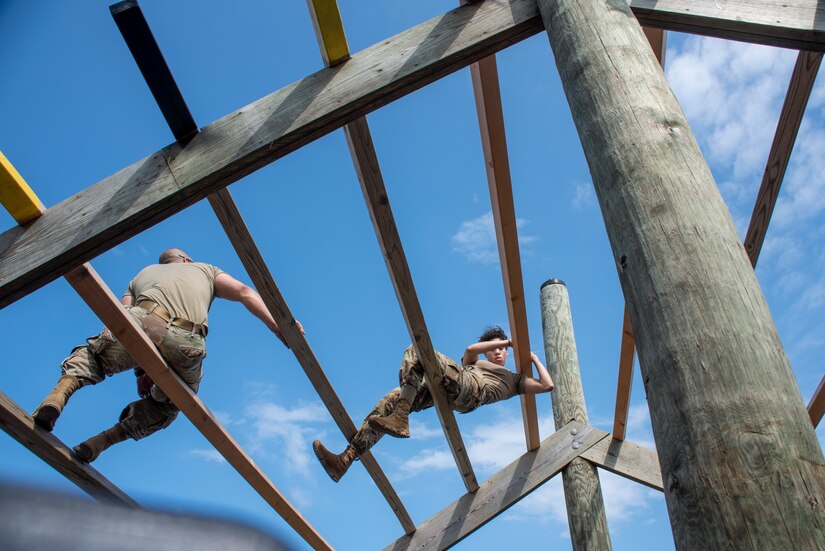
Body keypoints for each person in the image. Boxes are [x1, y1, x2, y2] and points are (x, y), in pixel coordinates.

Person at [32, 248, 301, 463]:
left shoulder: (141, 276)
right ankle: (101, 442)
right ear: (186, 259)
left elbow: (121, 319)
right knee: (170, 403)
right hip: (187, 341)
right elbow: (244, 292)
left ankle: (58, 397)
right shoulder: (205, 269)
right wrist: (279, 327)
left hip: (142, 318)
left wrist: (140, 368)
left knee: (95, 357)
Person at [312, 326, 554, 482]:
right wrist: (508, 341)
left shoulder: (515, 381)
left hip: (470, 391)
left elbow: (547, 386)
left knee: (417, 349)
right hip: (450, 390)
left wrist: (532, 357)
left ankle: (401, 415)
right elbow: (470, 350)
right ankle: (345, 459)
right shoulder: (474, 362)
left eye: (503, 349)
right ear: (487, 353)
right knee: (390, 400)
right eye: (495, 349)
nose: (499, 352)